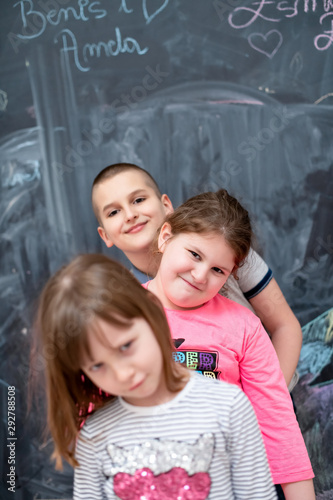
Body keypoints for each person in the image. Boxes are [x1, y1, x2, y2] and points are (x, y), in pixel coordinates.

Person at [33, 253, 278, 500]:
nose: (123, 373)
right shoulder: (94, 438)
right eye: (97, 365)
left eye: (126, 346)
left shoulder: (229, 407)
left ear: (152, 310)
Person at [144, 189, 315, 500]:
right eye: (194, 254)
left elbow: (278, 425)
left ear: (231, 275)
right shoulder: (120, 315)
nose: (199, 275)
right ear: (165, 237)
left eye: (218, 270)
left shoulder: (244, 327)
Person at [91, 163, 302, 391]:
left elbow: (285, 325)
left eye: (138, 200)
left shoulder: (225, 250)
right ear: (105, 236)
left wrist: (266, 399)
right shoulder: (128, 302)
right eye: (114, 212)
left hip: (269, 393)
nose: (130, 215)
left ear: (166, 205)